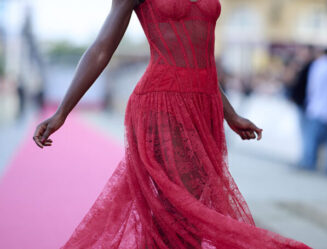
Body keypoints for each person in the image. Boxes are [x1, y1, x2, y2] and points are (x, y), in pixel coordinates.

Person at [33, 0, 312, 248]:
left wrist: (230, 114)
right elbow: (101, 49)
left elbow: (203, 61)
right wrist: (62, 112)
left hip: (204, 106)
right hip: (162, 102)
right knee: (186, 209)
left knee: (179, 211)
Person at [300, 48, 327, 175]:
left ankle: (310, 163)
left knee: (312, 138)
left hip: (317, 108)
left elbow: (312, 87)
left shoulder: (317, 66)